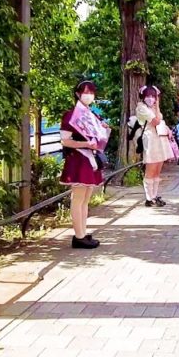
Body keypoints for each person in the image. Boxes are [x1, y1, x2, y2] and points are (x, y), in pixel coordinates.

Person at [60, 80, 110, 249]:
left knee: (86, 198)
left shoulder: (92, 115)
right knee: (78, 198)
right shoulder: (70, 115)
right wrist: (85, 145)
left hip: (90, 158)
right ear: (77, 94)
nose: (89, 95)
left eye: (92, 92)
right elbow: (65, 141)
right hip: (78, 159)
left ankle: (82, 232)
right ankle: (78, 236)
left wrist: (102, 129)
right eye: (85, 92)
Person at [136, 85, 174, 207]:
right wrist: (156, 106)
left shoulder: (153, 108)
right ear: (143, 96)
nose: (151, 98)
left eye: (153, 96)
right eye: (148, 96)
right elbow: (156, 121)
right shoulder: (141, 107)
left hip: (160, 138)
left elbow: (160, 119)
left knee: (158, 168)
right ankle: (148, 197)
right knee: (151, 167)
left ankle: (154, 195)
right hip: (150, 138)